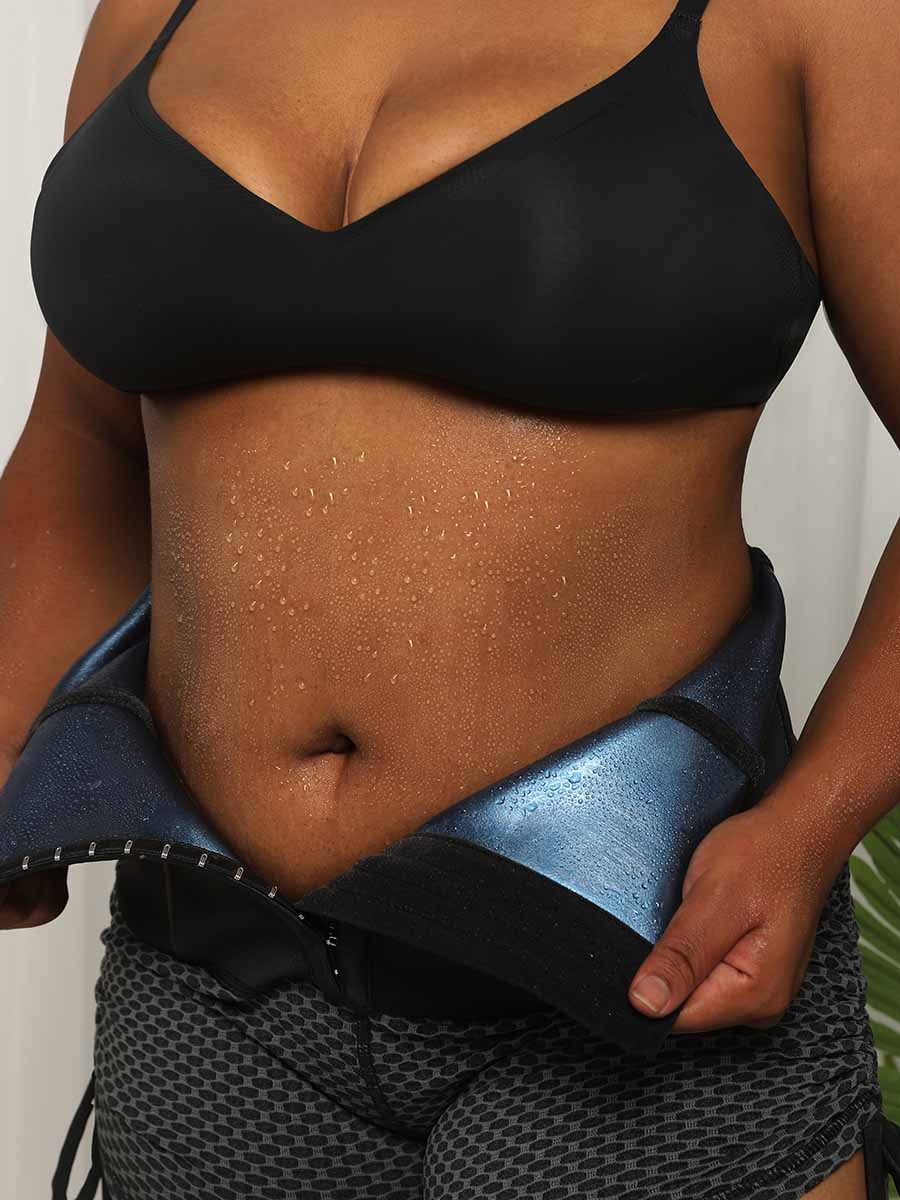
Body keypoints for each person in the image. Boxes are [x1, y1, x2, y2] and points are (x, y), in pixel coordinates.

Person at [2, 0, 900, 1196]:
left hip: (641, 976)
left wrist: (807, 830)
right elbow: (82, 442)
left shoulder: (809, 17)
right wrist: (7, 731)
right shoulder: (149, 15)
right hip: (214, 979)